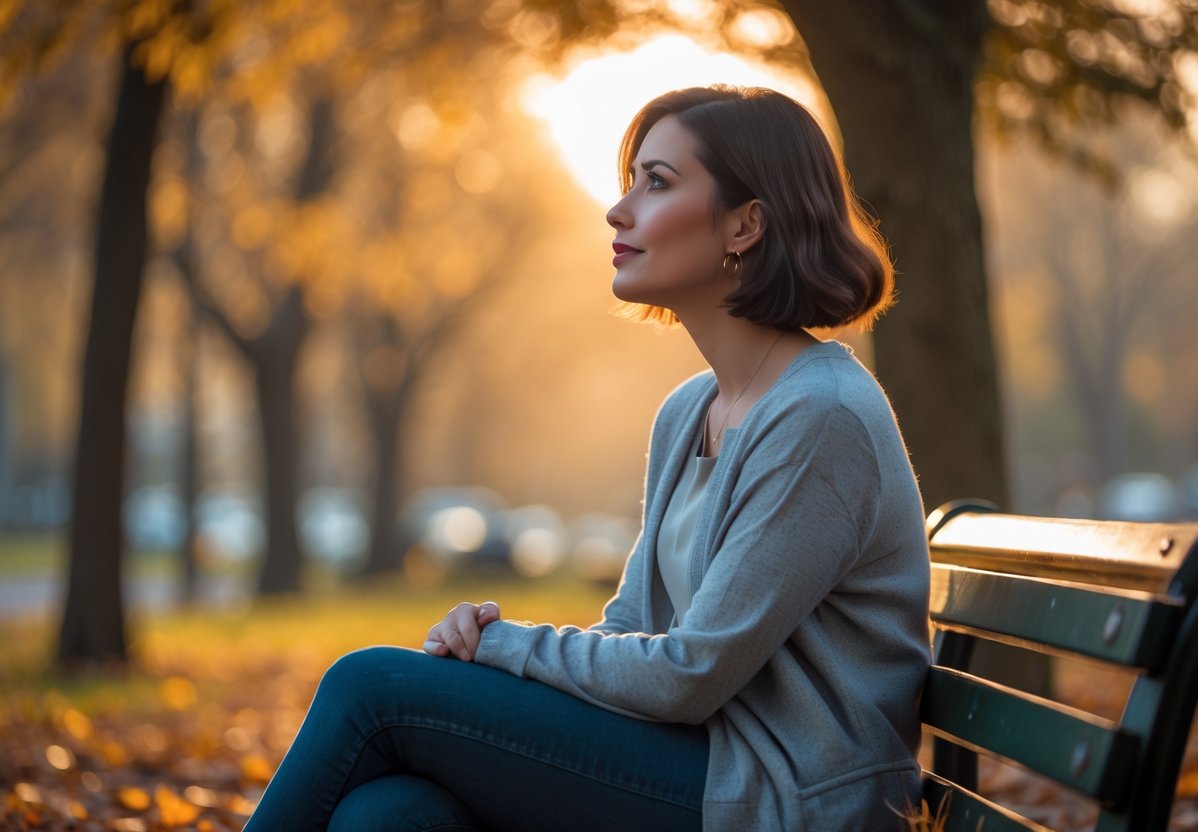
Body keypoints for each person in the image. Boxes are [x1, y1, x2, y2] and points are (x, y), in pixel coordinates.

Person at [243, 85, 930, 832]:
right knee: (391, 814)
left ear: (744, 224)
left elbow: (689, 676)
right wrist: (493, 651)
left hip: (788, 798)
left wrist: (504, 647)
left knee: (369, 686)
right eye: (628, 181)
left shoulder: (820, 415)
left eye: (657, 182)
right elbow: (634, 623)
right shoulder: (688, 412)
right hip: (699, 764)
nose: (618, 209)